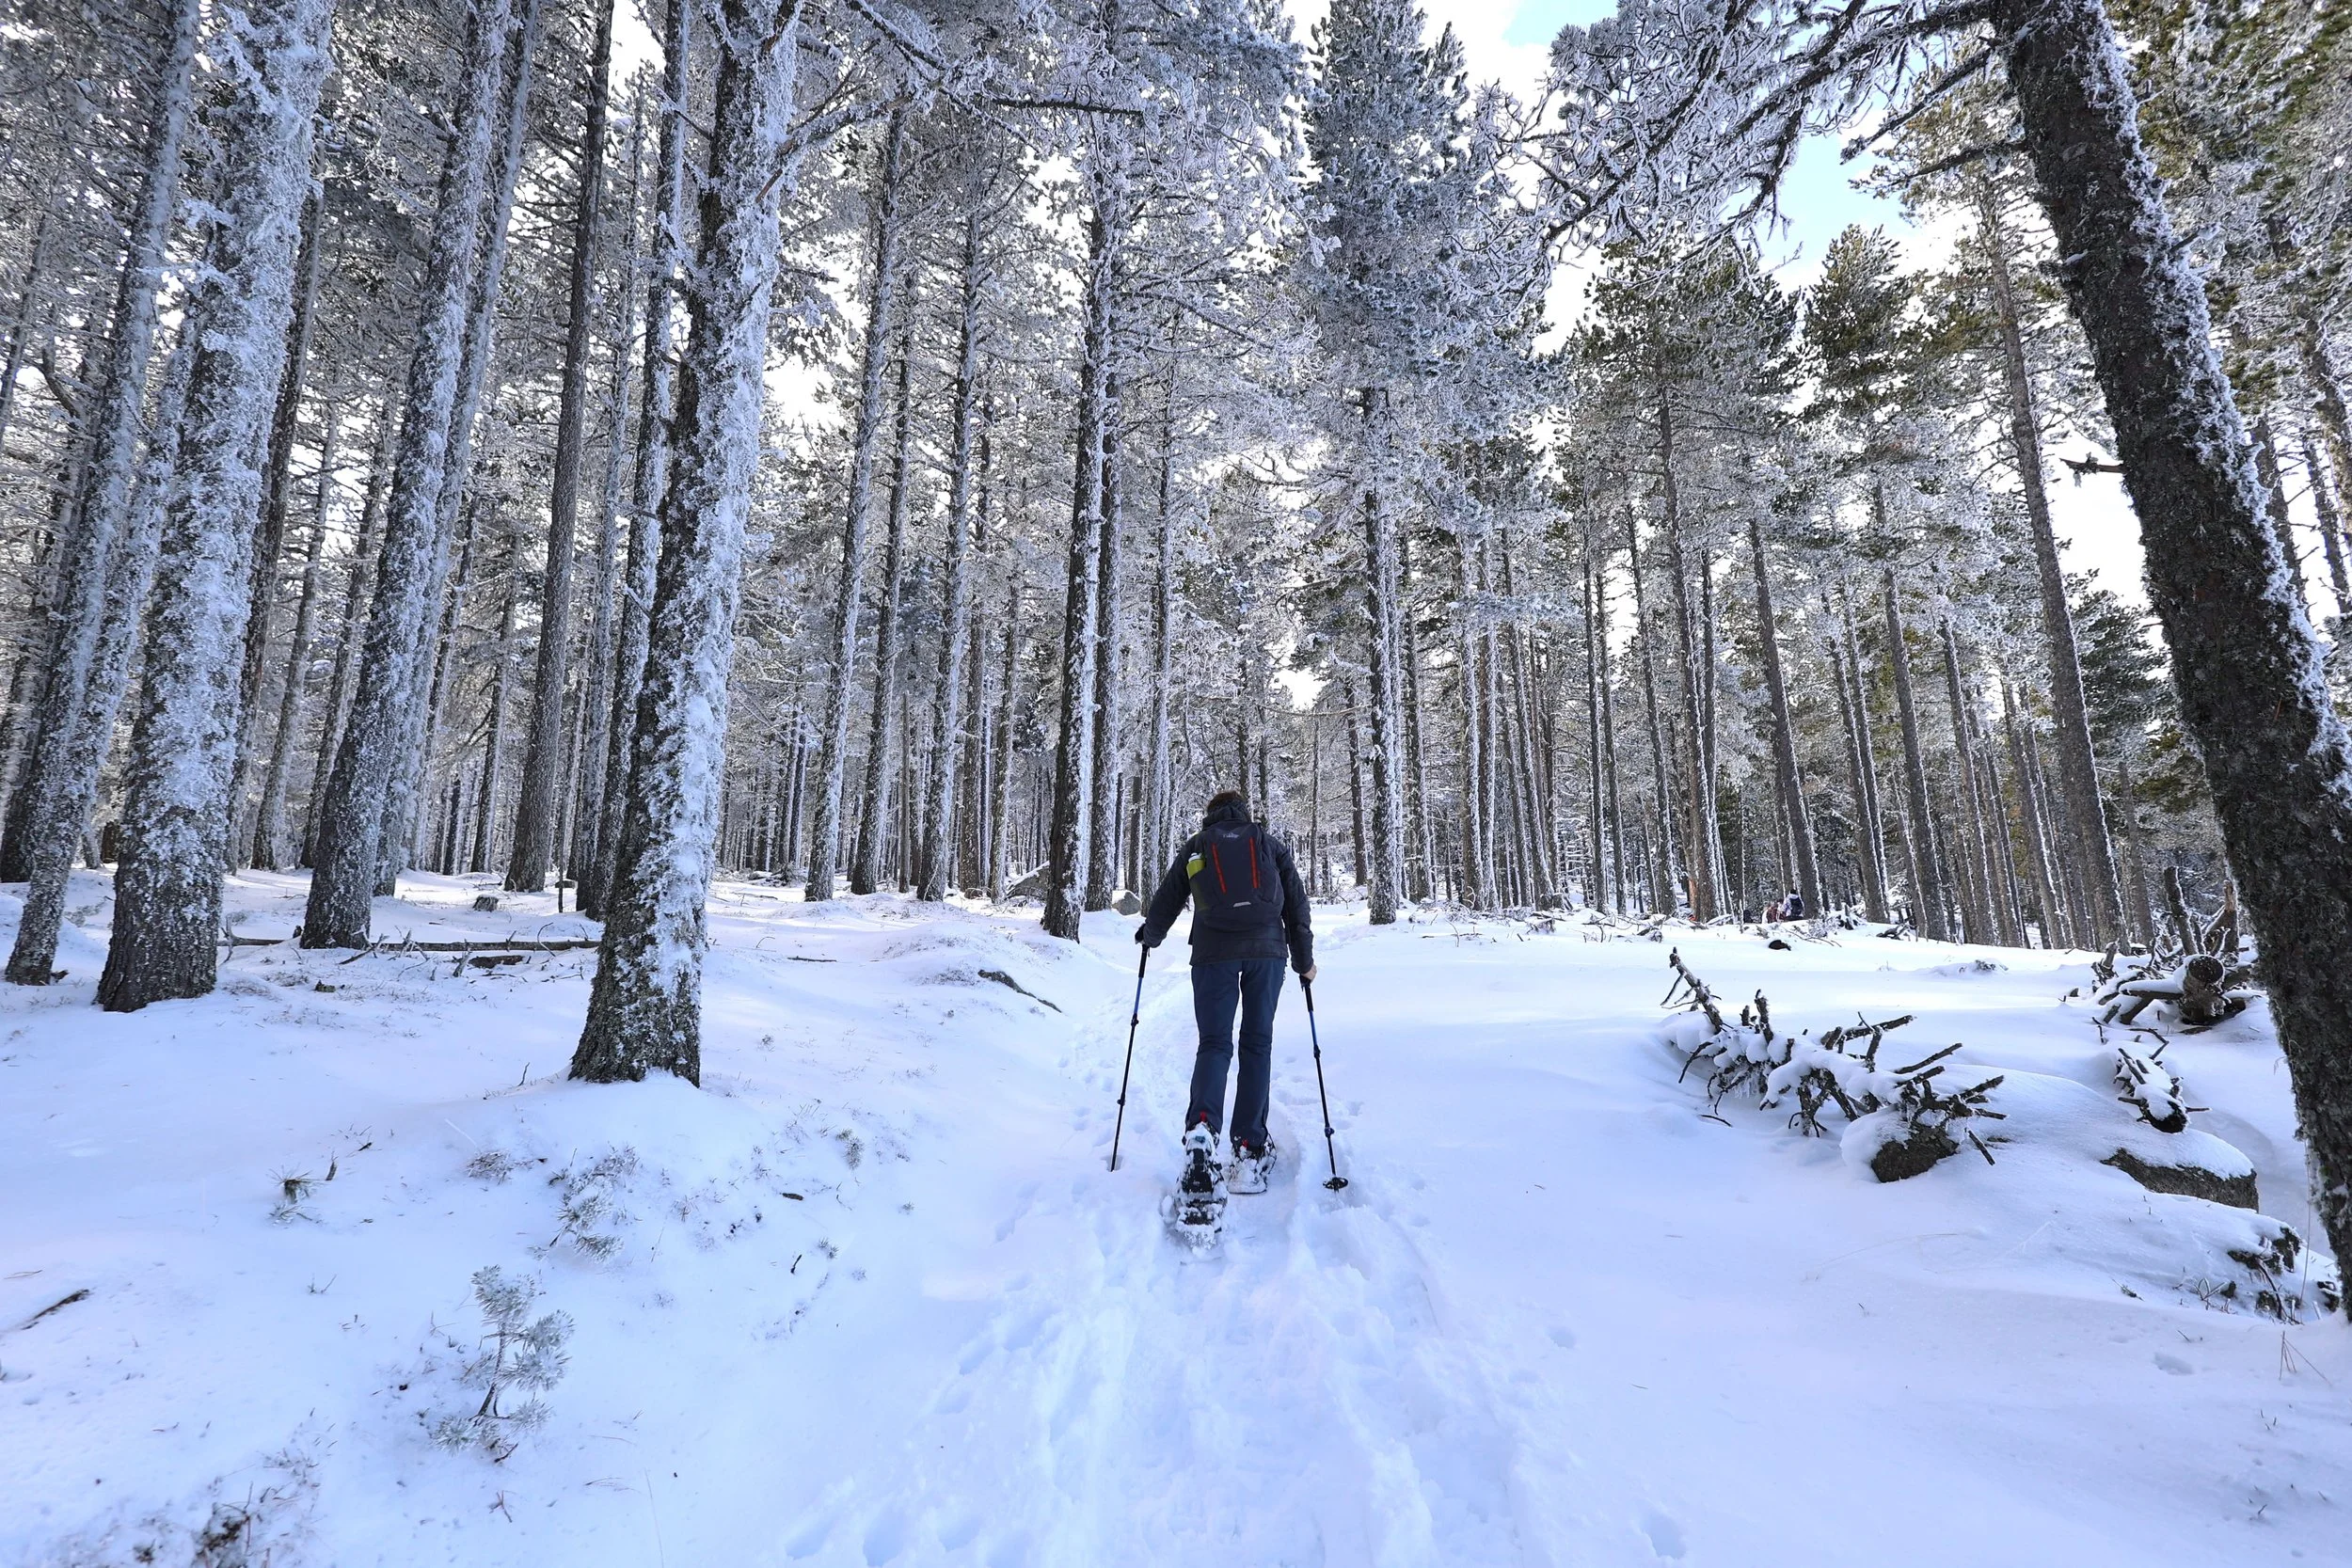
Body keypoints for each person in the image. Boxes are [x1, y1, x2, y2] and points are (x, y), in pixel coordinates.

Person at [1135, 789, 1314, 1196]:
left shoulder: (1197, 848)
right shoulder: (1269, 844)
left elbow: (1169, 896)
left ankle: (1201, 1129)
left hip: (1213, 954)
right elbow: (1296, 907)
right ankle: (1250, 1151)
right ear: (1243, 813)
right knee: (1256, 1044)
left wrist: (1151, 936)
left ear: (1210, 816)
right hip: (1267, 953)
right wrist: (1304, 962)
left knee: (1214, 1044)